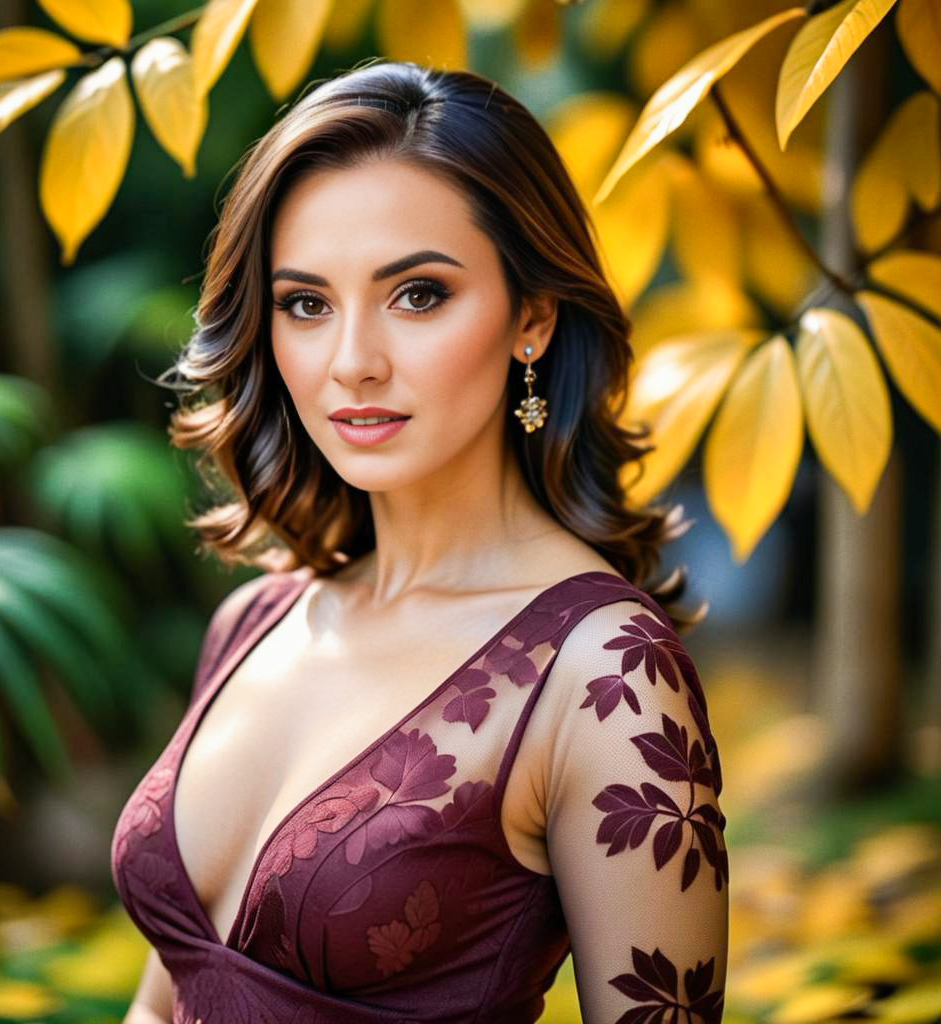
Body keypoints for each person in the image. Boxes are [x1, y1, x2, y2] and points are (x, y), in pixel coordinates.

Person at [112, 59, 728, 1024]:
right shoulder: (256, 620)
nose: (352, 362)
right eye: (306, 304)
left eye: (418, 295)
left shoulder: (607, 675)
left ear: (531, 316)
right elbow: (165, 1002)